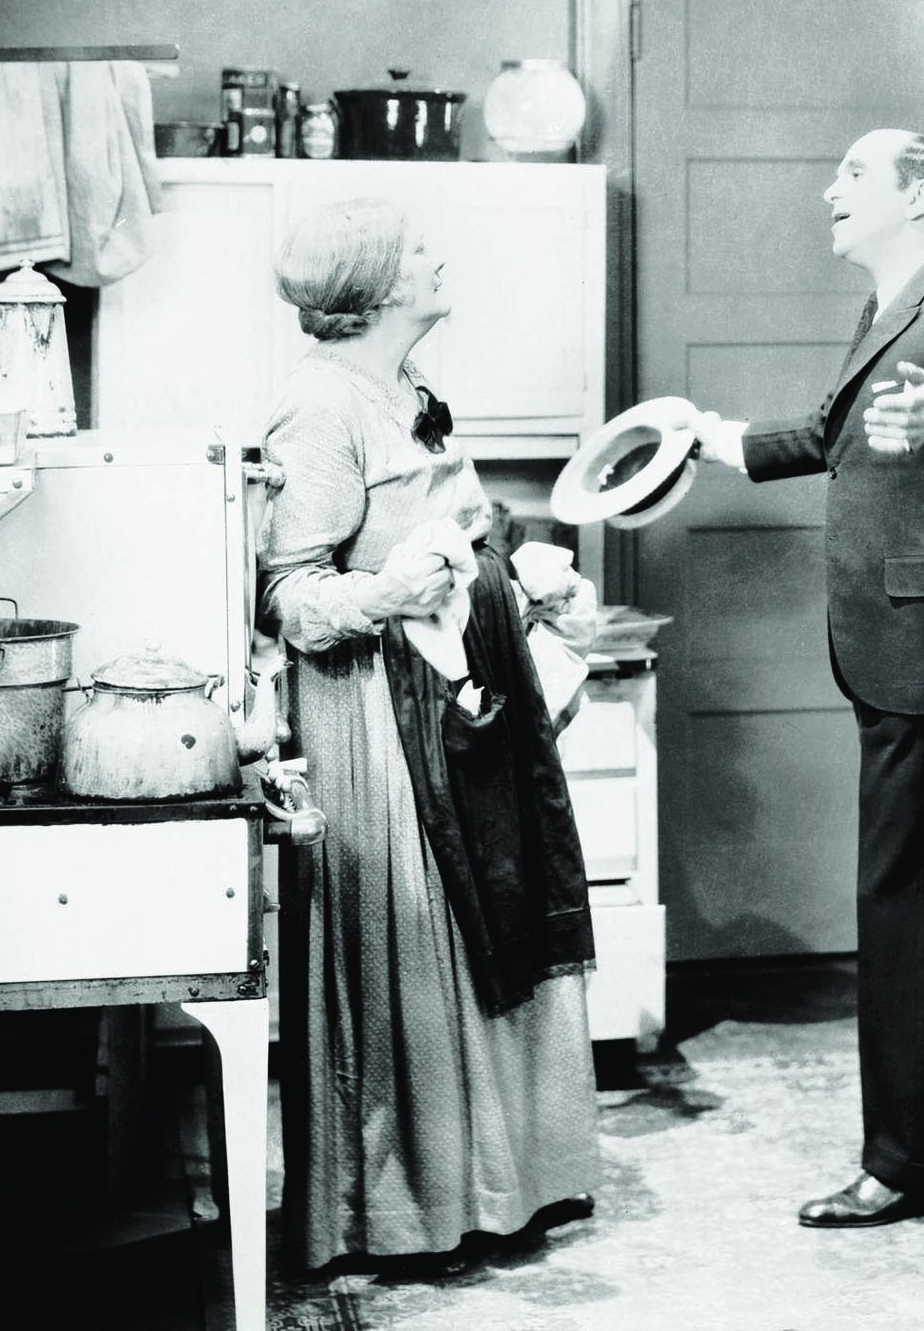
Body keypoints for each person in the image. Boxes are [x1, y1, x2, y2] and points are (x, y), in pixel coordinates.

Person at [677, 128, 924, 1228]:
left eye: (851, 175)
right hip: (908, 647)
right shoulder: (892, 301)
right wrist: (705, 438)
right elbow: (831, 433)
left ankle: (905, 1161)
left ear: (921, 195)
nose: (826, 188)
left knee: (904, 905)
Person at [259, 197, 600, 1268]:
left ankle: (500, 1185)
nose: (435, 256)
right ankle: (407, 1207)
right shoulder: (318, 406)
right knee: (418, 945)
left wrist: (513, 560)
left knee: (485, 927)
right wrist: (388, 591)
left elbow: (439, 524)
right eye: (415, 251)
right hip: (374, 719)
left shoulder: (400, 387)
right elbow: (286, 596)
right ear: (368, 287)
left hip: (451, 697)